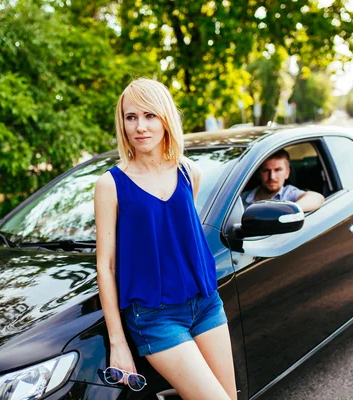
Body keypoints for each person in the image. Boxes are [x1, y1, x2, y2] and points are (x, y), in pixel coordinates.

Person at [94, 78, 237, 400]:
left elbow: (180, 239)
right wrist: (118, 343)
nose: (140, 126)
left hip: (206, 303)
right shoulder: (111, 184)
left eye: (150, 115)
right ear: (122, 123)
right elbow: (106, 266)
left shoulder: (188, 171)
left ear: (165, 119)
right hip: (155, 316)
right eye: (131, 117)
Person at [242, 149, 325, 212]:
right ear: (258, 174)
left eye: (277, 170)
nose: (272, 177)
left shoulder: (289, 194)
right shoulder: (243, 198)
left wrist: (288, 210)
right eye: (266, 170)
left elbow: (317, 198)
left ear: (287, 173)